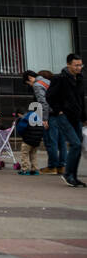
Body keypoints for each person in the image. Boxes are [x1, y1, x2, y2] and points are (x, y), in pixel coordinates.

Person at [46, 53, 84, 188]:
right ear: (68, 64)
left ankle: (73, 176)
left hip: (77, 117)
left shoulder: (80, 79)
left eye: (81, 65)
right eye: (76, 65)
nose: (79, 68)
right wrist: (58, 111)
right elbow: (49, 96)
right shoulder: (59, 78)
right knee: (75, 144)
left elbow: (81, 99)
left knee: (79, 146)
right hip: (63, 116)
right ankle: (68, 174)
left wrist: (84, 117)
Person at [30, 68, 62, 175]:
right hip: (61, 113)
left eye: (28, 82)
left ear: (30, 78)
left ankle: (52, 166)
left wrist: (44, 119)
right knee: (61, 142)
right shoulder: (49, 82)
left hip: (51, 114)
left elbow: (43, 103)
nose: (30, 85)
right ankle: (62, 166)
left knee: (50, 141)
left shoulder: (37, 85)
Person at [16, 71, 47, 176]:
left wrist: (22, 134)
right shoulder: (39, 118)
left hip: (27, 140)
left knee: (24, 154)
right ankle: (35, 169)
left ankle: (25, 169)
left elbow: (21, 128)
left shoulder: (27, 117)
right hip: (36, 140)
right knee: (33, 155)